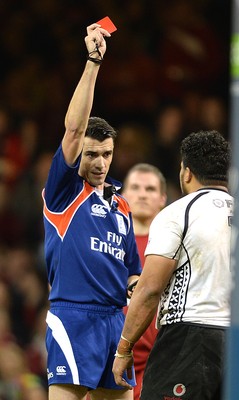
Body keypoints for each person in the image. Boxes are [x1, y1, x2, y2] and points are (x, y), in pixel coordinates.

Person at [42, 22, 142, 400]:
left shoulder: (122, 205)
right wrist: (93, 62)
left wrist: (143, 289)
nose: (100, 163)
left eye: (107, 154)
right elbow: (72, 131)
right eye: (91, 154)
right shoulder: (63, 192)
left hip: (116, 323)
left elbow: (131, 270)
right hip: (73, 317)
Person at [113, 130, 233, 400]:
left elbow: (150, 290)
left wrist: (124, 349)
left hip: (189, 340)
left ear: (187, 172)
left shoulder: (179, 213)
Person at [122, 163, 167, 400]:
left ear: (162, 198)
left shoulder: (173, 246)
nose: (141, 194)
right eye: (135, 187)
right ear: (124, 195)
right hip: (112, 357)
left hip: (159, 359)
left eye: (150, 189)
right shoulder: (108, 242)